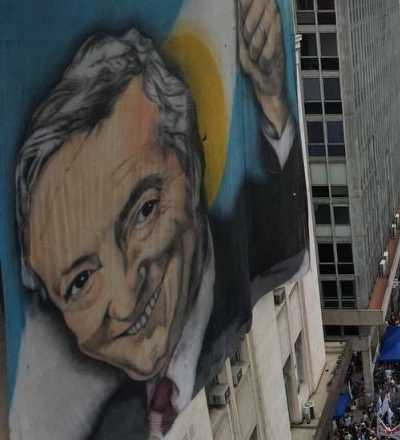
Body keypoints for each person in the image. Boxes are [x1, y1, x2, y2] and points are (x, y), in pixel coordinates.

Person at [8, 1, 306, 437]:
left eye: (143, 212)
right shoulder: (104, 426)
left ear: (191, 164)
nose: (126, 300)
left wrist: (273, 99)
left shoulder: (251, 238)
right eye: (80, 281)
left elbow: (284, 228)